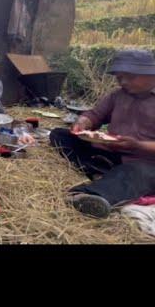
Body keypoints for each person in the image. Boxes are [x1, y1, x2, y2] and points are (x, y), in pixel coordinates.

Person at [50, 49, 155, 218]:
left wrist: (137, 145)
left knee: (135, 173)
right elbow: (95, 114)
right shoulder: (117, 95)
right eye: (119, 77)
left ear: (150, 73)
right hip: (111, 152)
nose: (123, 82)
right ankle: (102, 171)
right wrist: (83, 123)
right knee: (60, 135)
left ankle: (88, 196)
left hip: (145, 162)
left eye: (129, 76)